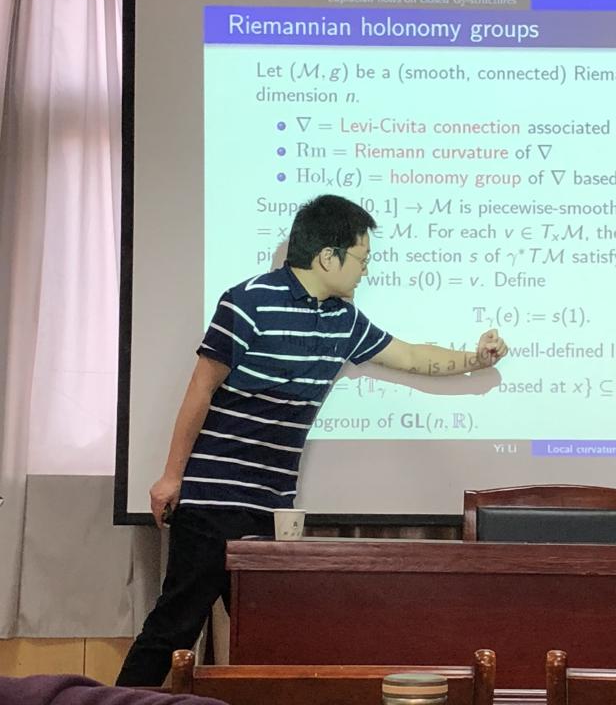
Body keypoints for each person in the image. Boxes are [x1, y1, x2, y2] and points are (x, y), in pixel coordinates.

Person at [116, 194, 507, 686]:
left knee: (272, 637)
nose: (365, 269)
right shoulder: (247, 301)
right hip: (214, 498)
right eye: (361, 258)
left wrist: (476, 360)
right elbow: (200, 389)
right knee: (175, 625)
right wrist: (171, 476)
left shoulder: (344, 320)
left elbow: (409, 355)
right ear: (327, 257)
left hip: (273, 508)